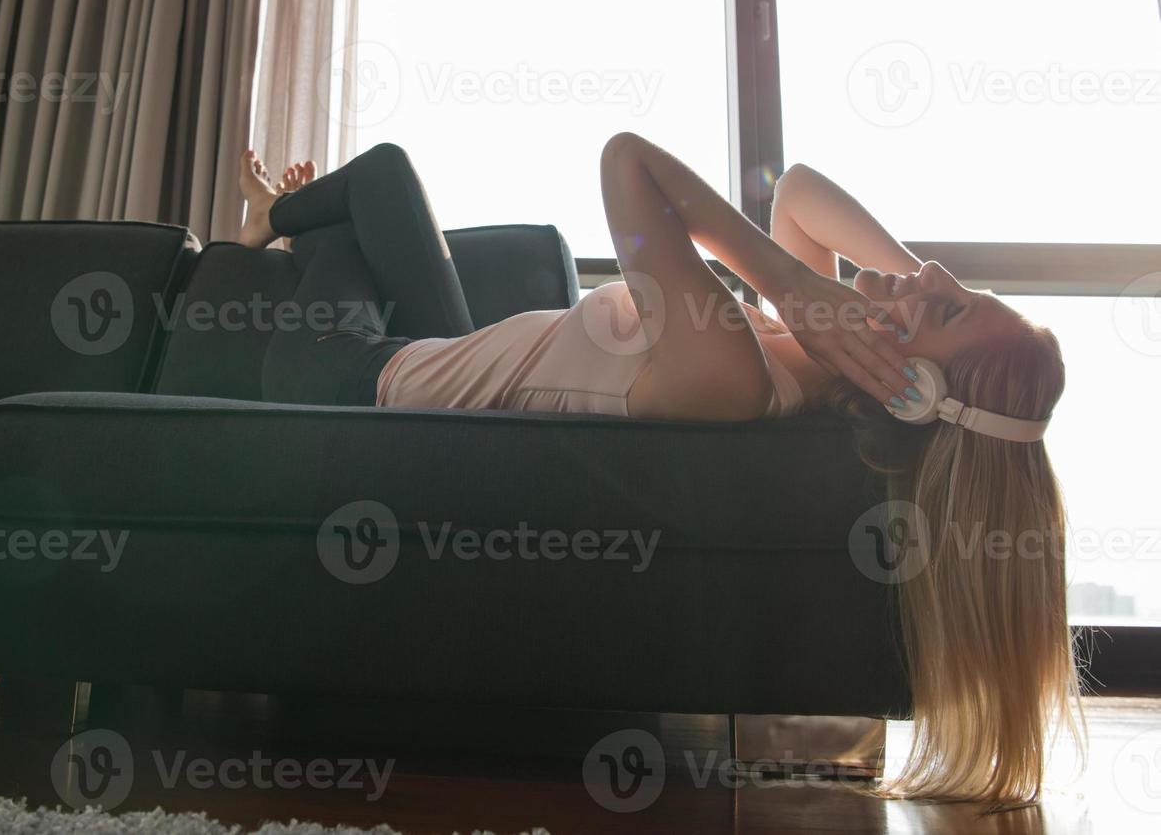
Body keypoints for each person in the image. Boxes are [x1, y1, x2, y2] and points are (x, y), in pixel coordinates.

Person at [238, 135, 1081, 807]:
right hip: (441, 354)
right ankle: (271, 212)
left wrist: (792, 284)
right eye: (957, 288)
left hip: (343, 377)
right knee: (383, 179)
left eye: (944, 308)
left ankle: (260, 225)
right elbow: (797, 191)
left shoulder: (734, 372)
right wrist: (896, 296)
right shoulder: (813, 361)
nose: (930, 273)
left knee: (363, 195)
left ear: (913, 391)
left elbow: (626, 160)